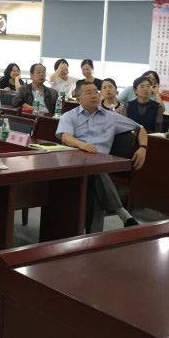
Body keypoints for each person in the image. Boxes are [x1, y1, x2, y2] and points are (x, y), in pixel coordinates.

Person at [56, 81, 146, 231]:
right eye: (88, 93)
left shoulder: (111, 117)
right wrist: (82, 144)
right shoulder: (69, 116)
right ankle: (121, 212)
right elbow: (65, 137)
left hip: (100, 163)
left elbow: (140, 128)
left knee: (95, 172)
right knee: (95, 169)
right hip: (74, 162)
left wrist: (143, 148)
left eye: (95, 92)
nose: (94, 95)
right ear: (78, 99)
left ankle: (92, 232)